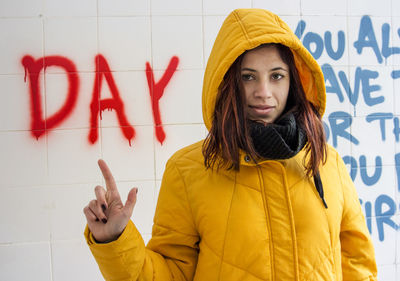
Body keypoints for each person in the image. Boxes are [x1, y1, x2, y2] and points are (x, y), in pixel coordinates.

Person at [83, 8, 377, 281]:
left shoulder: (326, 161)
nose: (264, 92)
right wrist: (115, 241)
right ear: (226, 82)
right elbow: (172, 273)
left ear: (294, 82)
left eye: (277, 76)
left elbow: (357, 264)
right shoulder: (188, 170)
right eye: (248, 77)